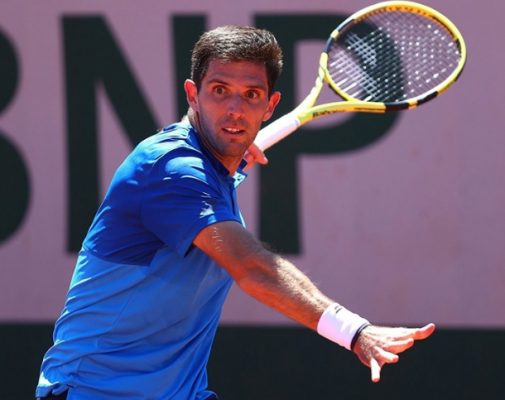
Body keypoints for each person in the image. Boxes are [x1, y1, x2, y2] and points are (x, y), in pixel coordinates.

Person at [36, 25, 434, 400]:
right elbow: (253, 267)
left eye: (251, 95)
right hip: (95, 390)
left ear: (270, 105)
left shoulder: (209, 164)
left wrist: (233, 153)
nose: (234, 110)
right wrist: (355, 332)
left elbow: (211, 160)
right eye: (220, 90)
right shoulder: (172, 170)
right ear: (193, 95)